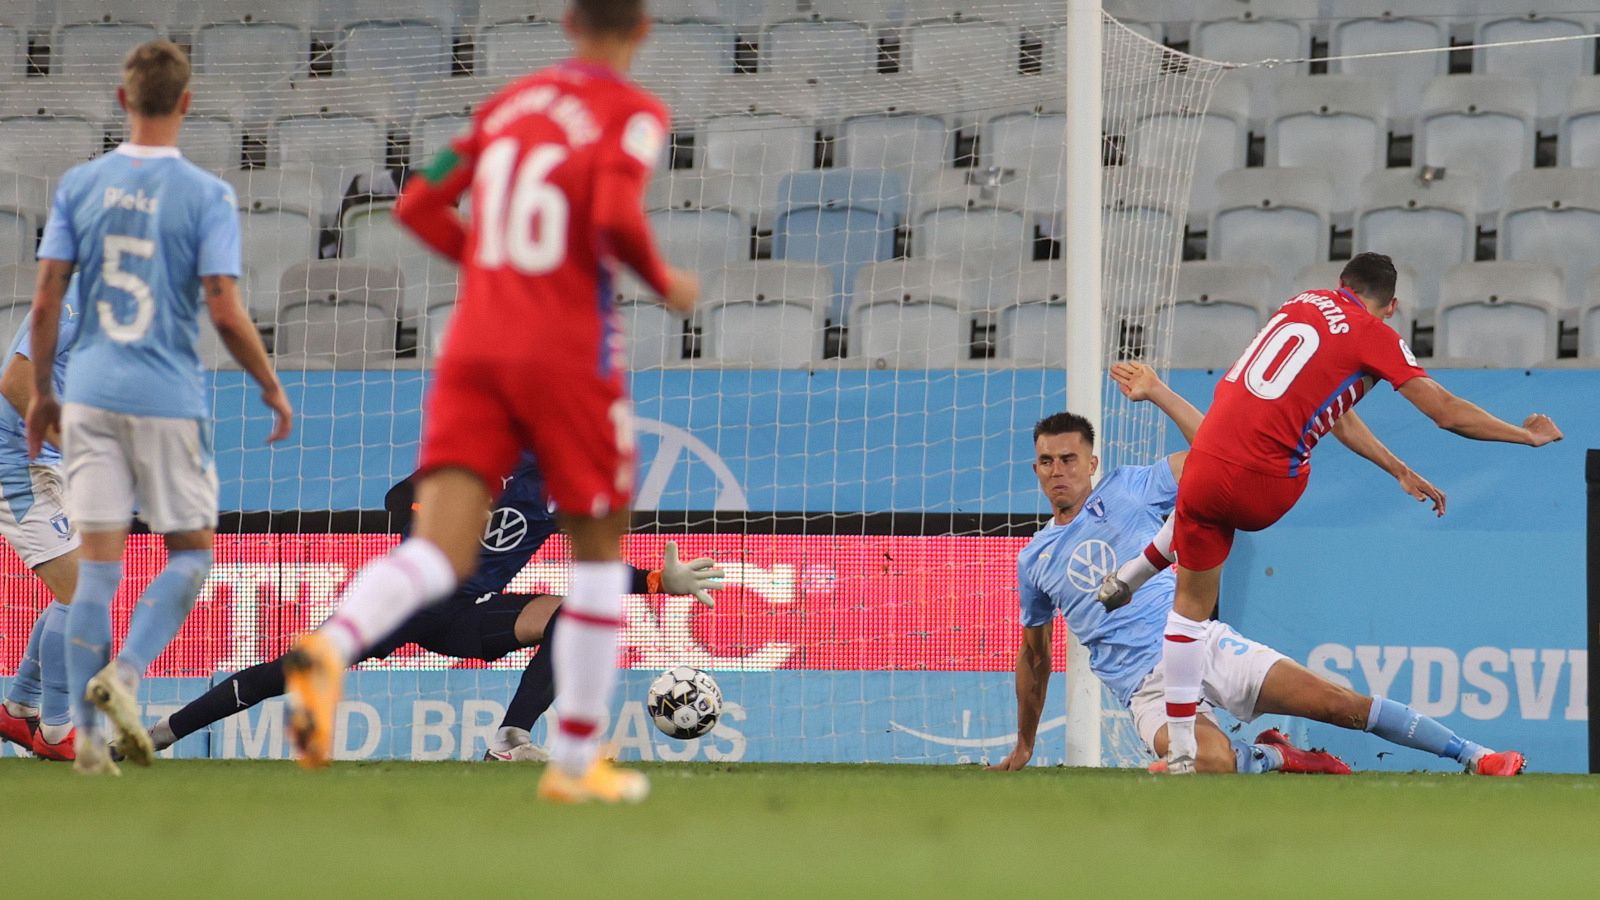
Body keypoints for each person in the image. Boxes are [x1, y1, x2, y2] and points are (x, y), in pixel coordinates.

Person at [281, 0, 696, 805]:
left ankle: (327, 650)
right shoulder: (633, 113)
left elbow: (412, 206)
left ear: (569, 25)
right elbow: (612, 214)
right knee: (599, 549)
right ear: (640, 30)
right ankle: (574, 762)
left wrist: (492, 264)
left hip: (475, 343)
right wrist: (664, 281)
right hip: (565, 346)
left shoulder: (505, 108)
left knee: (438, 551)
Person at [1096, 253, 1562, 773]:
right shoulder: (1373, 332)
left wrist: (1396, 467)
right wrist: (1525, 435)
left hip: (1205, 469)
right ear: (1392, 307)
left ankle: (1177, 733)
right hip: (1268, 487)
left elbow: (1332, 409)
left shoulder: (1300, 303)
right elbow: (1446, 412)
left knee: (1186, 613)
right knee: (1277, 460)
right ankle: (1464, 756)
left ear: (1341, 284)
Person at [993, 362, 1526, 776]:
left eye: (1068, 459)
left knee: (1340, 704)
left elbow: (1215, 454)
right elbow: (1034, 659)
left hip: (1201, 642)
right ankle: (1275, 758)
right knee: (1213, 763)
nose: (1057, 471)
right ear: (1035, 468)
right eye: (1046, 461)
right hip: (1144, 688)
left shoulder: (1130, 486)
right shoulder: (1034, 558)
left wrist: (1158, 392)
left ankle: (1476, 755)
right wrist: (1024, 743)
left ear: (1091, 462)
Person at [26, 40, 293, 775]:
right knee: (190, 555)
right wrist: (269, 385)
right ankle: (129, 672)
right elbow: (227, 310)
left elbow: (46, 300)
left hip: (90, 398)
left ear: (121, 102)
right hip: (168, 398)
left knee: (99, 574)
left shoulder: (80, 185)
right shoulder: (206, 195)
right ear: (185, 103)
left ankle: (82, 736)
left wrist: (45, 392)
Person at [147, 456, 724, 759]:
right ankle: (164, 732)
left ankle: (510, 739)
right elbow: (399, 497)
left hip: (466, 613)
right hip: (401, 601)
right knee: (292, 672)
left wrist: (654, 578)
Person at [0, 276, 84, 761]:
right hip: (16, 461)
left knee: (80, 586)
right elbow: (14, 383)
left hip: (45, 460)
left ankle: (19, 707)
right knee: (83, 591)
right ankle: (56, 732)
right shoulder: (69, 301)